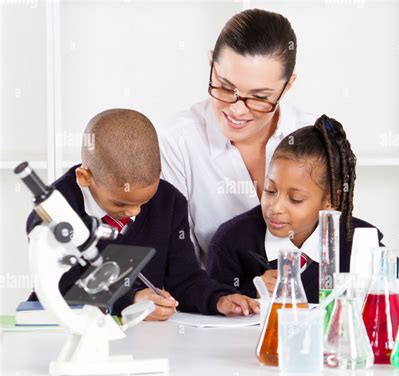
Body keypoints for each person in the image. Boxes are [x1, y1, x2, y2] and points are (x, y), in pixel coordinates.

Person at [25, 109, 259, 319]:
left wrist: (218, 299)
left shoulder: (169, 201)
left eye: (145, 201)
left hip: (143, 337)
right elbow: (61, 287)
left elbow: (185, 278)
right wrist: (131, 300)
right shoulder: (55, 210)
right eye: (120, 203)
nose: (134, 212)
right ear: (85, 178)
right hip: (57, 329)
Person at [159, 9, 316, 263]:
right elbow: (177, 264)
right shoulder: (178, 142)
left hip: (302, 299)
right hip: (211, 299)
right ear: (212, 64)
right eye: (224, 86)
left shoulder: (313, 134)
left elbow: (334, 244)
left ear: (287, 86)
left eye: (259, 97)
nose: (236, 109)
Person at [206, 115, 384, 303]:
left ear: (332, 200)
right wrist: (253, 293)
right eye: (270, 190)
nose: (275, 207)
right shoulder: (231, 241)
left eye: (295, 199)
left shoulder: (362, 244)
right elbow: (212, 308)